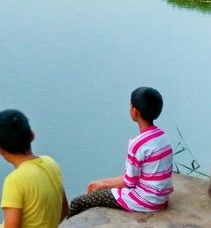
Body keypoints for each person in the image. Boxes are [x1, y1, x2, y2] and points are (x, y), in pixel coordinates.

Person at [68, 86, 173, 217]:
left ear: (135, 111)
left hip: (144, 201)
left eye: (131, 105)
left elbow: (129, 183)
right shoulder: (163, 137)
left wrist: (101, 184)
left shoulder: (137, 144)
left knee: (78, 202)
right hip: (161, 199)